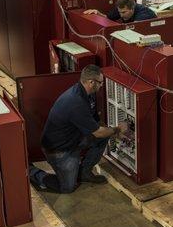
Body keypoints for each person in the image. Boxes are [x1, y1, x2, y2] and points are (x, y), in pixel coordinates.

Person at [29, 65, 129, 193]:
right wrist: (118, 129)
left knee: (104, 136)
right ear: (91, 82)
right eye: (100, 82)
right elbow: (98, 132)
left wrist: (110, 131)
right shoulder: (75, 102)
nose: (102, 85)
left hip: (73, 138)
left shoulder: (88, 94)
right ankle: (32, 172)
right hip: (59, 149)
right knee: (67, 188)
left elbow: (96, 124)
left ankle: (85, 173)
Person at [84, 0, 157, 23]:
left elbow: (135, 28)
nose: (121, 15)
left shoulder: (144, 14)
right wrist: (97, 13)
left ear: (132, 8)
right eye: (120, 12)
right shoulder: (121, 8)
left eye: (124, 12)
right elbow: (107, 18)